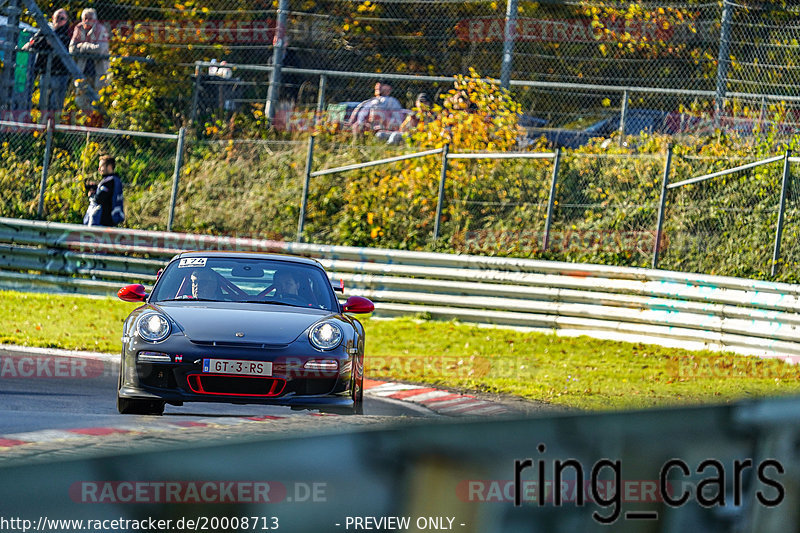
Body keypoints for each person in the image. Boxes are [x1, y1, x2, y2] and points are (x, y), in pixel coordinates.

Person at [22, 9, 72, 119]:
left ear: (66, 20)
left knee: (55, 103)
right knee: (43, 103)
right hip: (45, 71)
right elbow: (35, 42)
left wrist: (43, 41)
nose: (59, 20)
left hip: (60, 73)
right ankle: (43, 128)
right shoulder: (45, 29)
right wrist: (43, 41)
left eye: (62, 18)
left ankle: (54, 130)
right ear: (52, 18)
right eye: (57, 17)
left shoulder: (67, 32)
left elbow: (55, 42)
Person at [69, 8, 109, 94]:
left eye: (90, 18)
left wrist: (82, 46)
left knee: (98, 98)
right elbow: (72, 48)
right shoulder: (79, 28)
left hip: (98, 70)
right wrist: (90, 47)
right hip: (82, 69)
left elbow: (99, 49)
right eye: (85, 18)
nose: (87, 21)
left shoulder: (101, 29)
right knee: (80, 99)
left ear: (95, 20)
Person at [83, 154, 124, 227]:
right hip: (110, 221)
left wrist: (92, 195)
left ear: (109, 167)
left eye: (101, 166)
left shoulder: (109, 181)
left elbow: (99, 199)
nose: (99, 169)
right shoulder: (116, 180)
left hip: (103, 221)